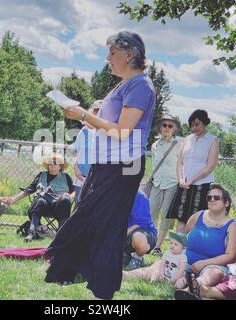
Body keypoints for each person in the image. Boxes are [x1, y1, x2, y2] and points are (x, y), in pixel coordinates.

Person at [44, 31, 156, 300]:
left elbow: (122, 131)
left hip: (123, 165)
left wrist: (84, 114)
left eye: (112, 52)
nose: (107, 58)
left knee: (105, 225)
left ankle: (100, 288)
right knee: (90, 219)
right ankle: (84, 272)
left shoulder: (140, 85)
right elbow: (107, 128)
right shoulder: (121, 85)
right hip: (106, 164)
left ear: (129, 54)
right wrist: (83, 117)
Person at [176, 184, 236, 296]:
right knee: (160, 265)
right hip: (186, 260)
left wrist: (203, 263)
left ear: (226, 203)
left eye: (216, 197)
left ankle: (191, 287)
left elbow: (231, 256)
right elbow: (184, 238)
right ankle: (132, 275)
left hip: (212, 266)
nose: (212, 200)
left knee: (214, 274)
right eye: (209, 198)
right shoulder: (197, 215)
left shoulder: (232, 226)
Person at [167, 109, 219, 233]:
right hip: (184, 184)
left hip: (202, 185)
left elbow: (210, 166)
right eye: (192, 125)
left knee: (196, 219)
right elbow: (180, 161)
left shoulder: (212, 141)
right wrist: (180, 178)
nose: (194, 127)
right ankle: (178, 248)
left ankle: (190, 248)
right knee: (181, 217)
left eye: (197, 124)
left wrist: (192, 179)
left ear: (205, 123)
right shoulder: (188, 139)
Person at [5, 153, 74, 241]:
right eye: (50, 163)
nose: (51, 165)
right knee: (41, 200)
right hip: (41, 206)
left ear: (60, 166)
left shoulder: (66, 177)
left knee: (65, 200)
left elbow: (74, 191)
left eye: (54, 163)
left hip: (57, 206)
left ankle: (60, 235)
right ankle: (31, 233)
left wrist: (69, 196)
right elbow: (29, 189)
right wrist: (13, 199)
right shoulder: (42, 175)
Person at [149, 115, 183, 256]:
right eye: (164, 125)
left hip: (172, 183)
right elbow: (154, 164)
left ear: (174, 128)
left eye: (170, 126)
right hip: (157, 182)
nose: (167, 128)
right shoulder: (155, 145)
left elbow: (183, 164)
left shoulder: (180, 144)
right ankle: (149, 241)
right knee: (152, 212)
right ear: (160, 127)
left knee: (166, 215)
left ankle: (157, 246)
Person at [123, 231, 187, 289]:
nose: (172, 245)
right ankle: (152, 282)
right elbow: (162, 264)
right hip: (165, 275)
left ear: (183, 248)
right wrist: (161, 274)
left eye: (176, 244)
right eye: (171, 243)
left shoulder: (182, 257)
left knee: (181, 281)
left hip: (176, 276)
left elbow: (181, 270)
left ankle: (175, 287)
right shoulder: (167, 253)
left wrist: (174, 279)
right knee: (156, 272)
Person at [72, 100, 102, 206]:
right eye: (95, 111)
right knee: (78, 204)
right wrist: (76, 168)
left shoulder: (105, 133)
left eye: (100, 111)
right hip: (81, 175)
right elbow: (75, 151)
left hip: (97, 177)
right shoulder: (84, 131)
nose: (97, 113)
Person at [123, 190, 157, 271]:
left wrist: (119, 235)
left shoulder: (139, 196)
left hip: (141, 231)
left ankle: (138, 258)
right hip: (119, 233)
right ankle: (125, 256)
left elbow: (140, 223)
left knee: (139, 238)